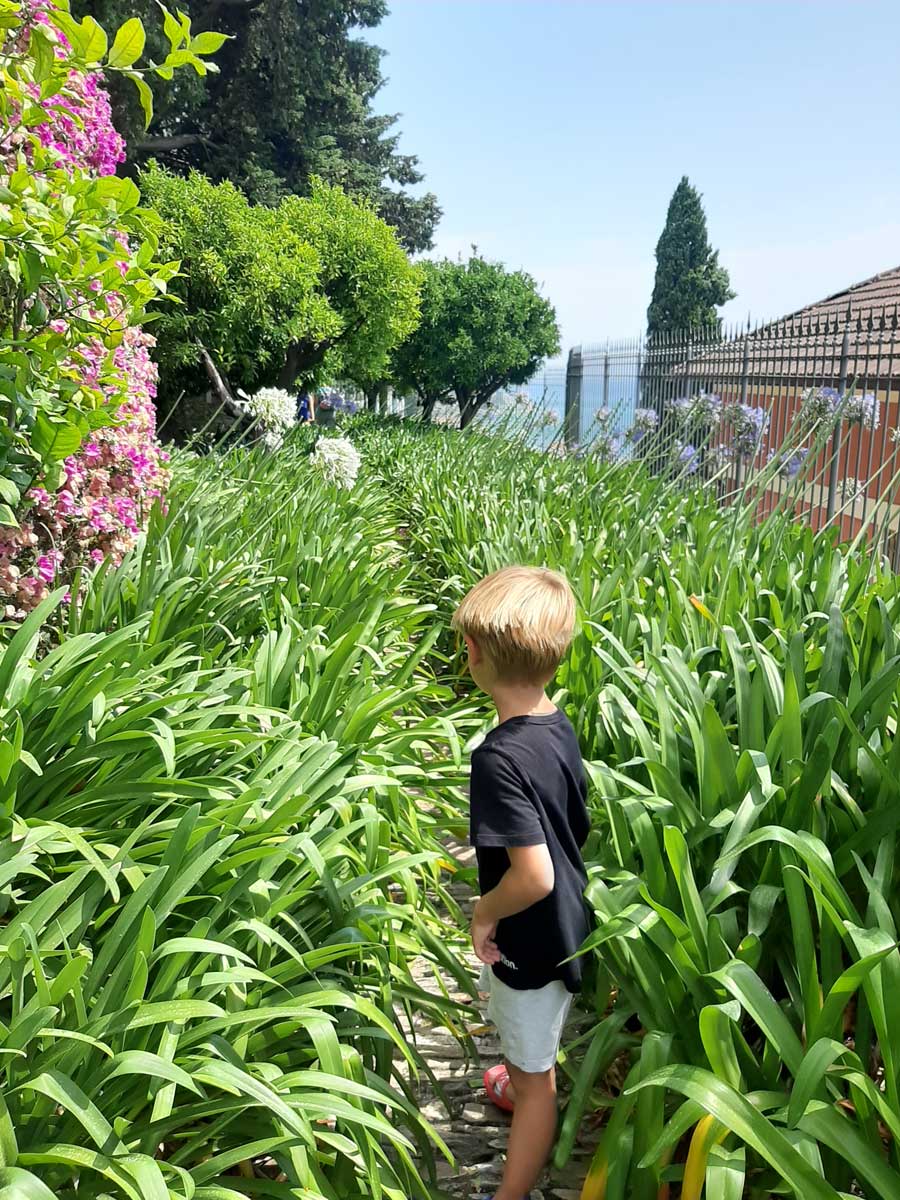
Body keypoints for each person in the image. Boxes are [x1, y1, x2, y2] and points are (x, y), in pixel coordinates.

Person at [451, 566, 590, 1200]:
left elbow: (531, 875)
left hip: (530, 938)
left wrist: (483, 911)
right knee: (527, 1040)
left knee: (539, 1083)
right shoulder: (555, 724)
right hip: (564, 921)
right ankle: (521, 1072)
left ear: (474, 654)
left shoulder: (497, 757)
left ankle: (512, 1182)